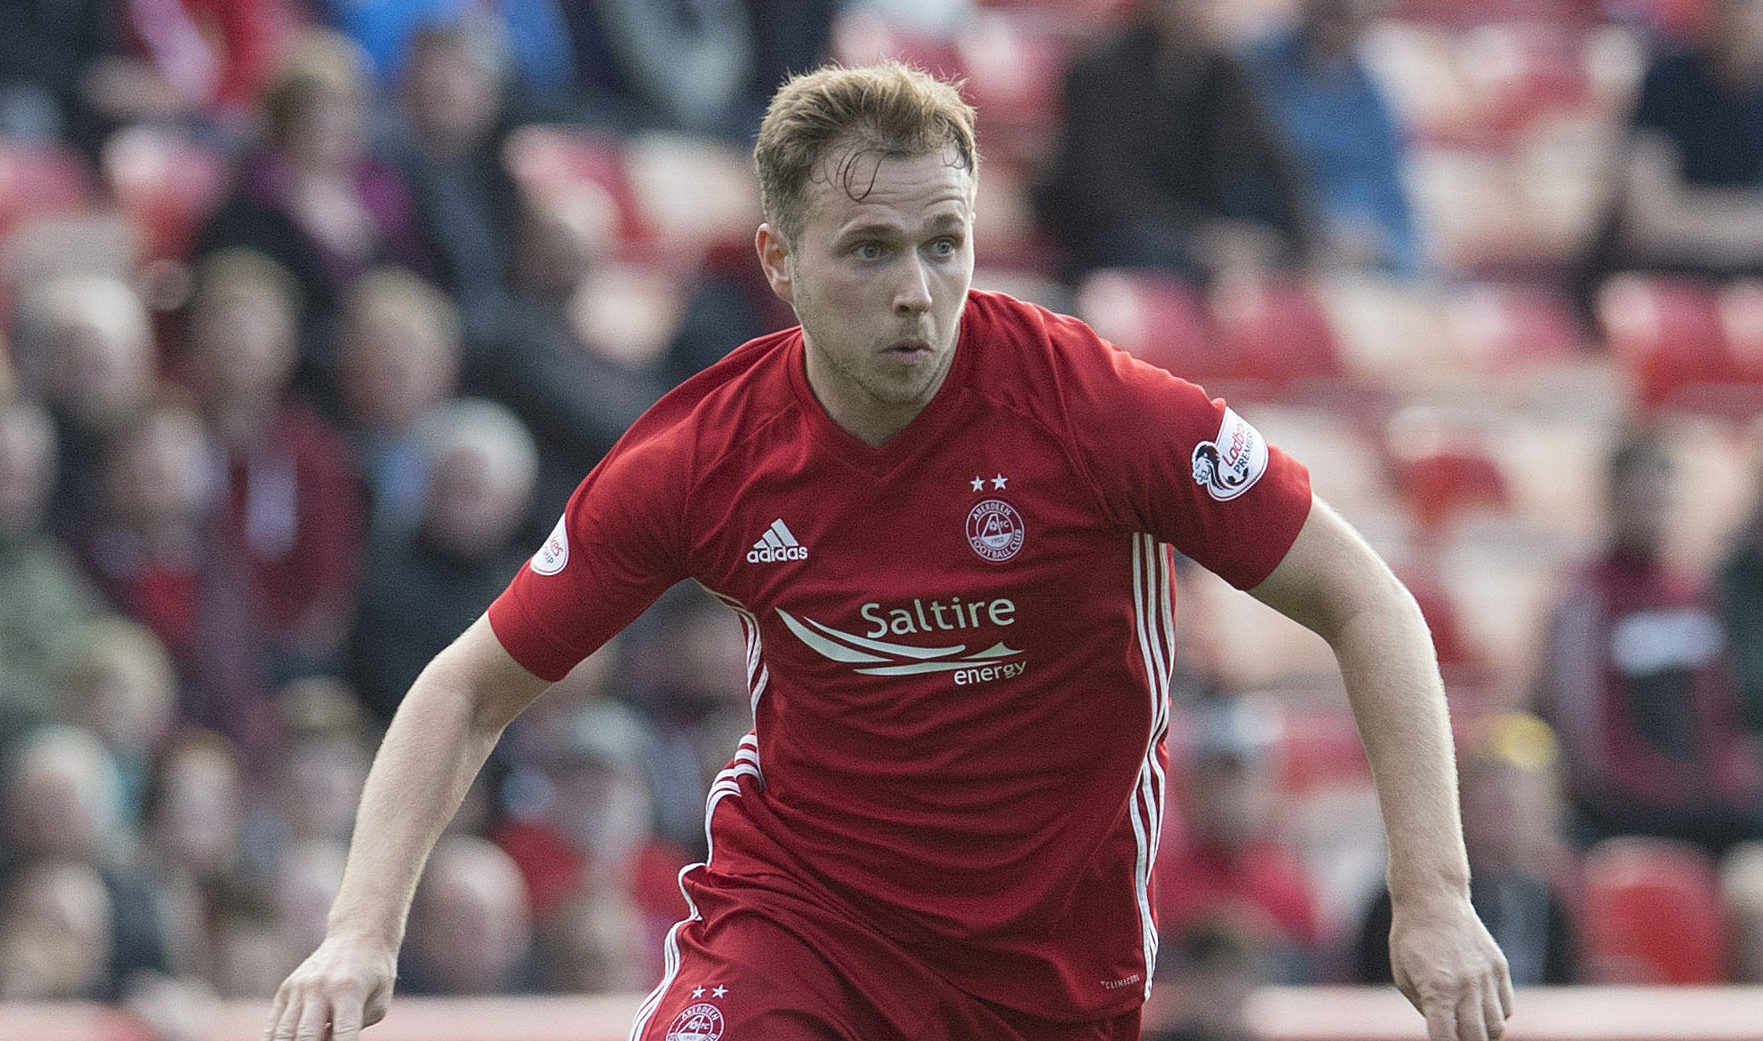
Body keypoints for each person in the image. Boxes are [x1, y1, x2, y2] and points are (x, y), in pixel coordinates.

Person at [266, 62, 1510, 1041]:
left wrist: (1433, 895)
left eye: (943, 242)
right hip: (801, 926)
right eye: (868, 249)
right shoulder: (701, 457)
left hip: (1044, 973)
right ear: (779, 264)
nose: (917, 288)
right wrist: (359, 931)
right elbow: (466, 686)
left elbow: (1366, 604)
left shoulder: (1098, 412)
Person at [1534, 433, 1763, 853]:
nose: (1650, 514)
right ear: (1612, 502)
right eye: (1638, 501)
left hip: (1705, 798)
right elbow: (1580, 725)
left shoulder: (1695, 591)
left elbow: (1718, 705)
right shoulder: (1585, 597)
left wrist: (1723, 780)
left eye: (1660, 501)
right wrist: (1632, 790)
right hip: (1620, 806)